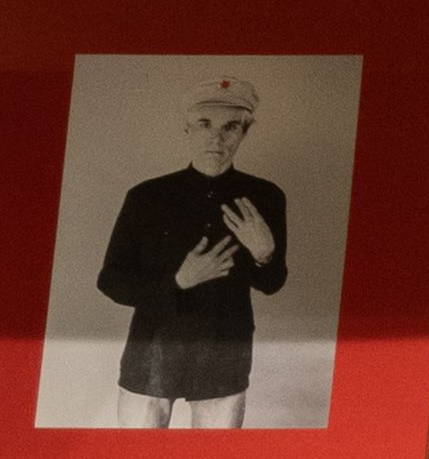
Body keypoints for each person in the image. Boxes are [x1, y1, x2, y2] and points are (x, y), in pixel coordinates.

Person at [88, 73, 291, 421]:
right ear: (187, 129)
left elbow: (271, 283)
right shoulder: (147, 197)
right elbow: (111, 280)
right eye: (204, 123)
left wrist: (265, 253)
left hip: (223, 351)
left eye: (231, 127)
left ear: (245, 132)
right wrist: (178, 282)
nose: (216, 138)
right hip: (152, 349)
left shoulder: (265, 196)